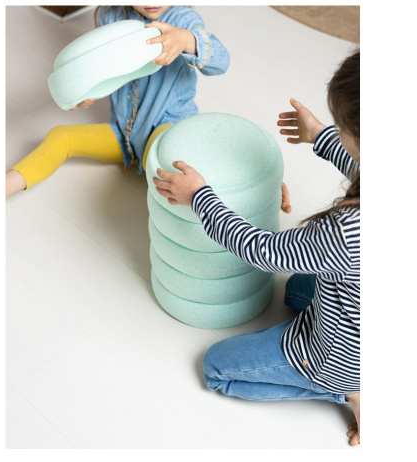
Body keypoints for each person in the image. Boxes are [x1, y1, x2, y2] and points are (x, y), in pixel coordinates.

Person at [152, 49, 360, 446]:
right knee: (297, 287)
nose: (338, 129)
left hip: (337, 357)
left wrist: (200, 197)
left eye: (341, 126)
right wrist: (320, 135)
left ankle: (345, 389)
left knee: (215, 369)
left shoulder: (349, 232)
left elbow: (261, 249)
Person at [5, 6, 230, 198]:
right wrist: (87, 91)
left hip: (167, 124)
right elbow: (105, 70)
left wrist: (186, 39)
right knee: (60, 137)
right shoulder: (111, 16)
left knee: (161, 164)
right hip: (125, 134)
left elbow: (221, 61)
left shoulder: (182, 20)